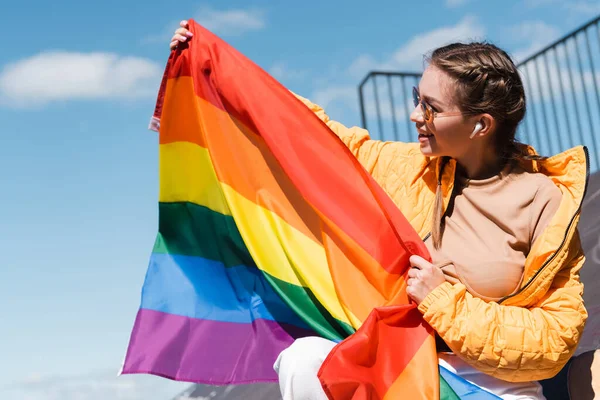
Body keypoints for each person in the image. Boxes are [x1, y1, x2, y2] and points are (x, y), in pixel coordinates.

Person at [169, 21, 588, 400]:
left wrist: (445, 301)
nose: (414, 116)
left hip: (490, 386)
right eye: (415, 98)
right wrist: (217, 69)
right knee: (304, 360)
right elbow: (317, 138)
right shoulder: (407, 167)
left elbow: (555, 341)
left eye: (432, 108)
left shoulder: (546, 202)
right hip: (400, 361)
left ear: (481, 125)